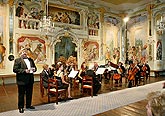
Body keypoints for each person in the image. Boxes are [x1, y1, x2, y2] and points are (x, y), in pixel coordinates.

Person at [13, 48, 37, 113]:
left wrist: (34, 69)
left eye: (25, 52)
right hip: (22, 81)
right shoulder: (17, 60)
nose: (24, 53)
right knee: (21, 94)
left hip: (30, 80)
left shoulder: (31, 60)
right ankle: (21, 107)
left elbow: (35, 68)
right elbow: (15, 70)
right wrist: (24, 71)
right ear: (21, 53)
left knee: (29, 94)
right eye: (23, 52)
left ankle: (28, 105)